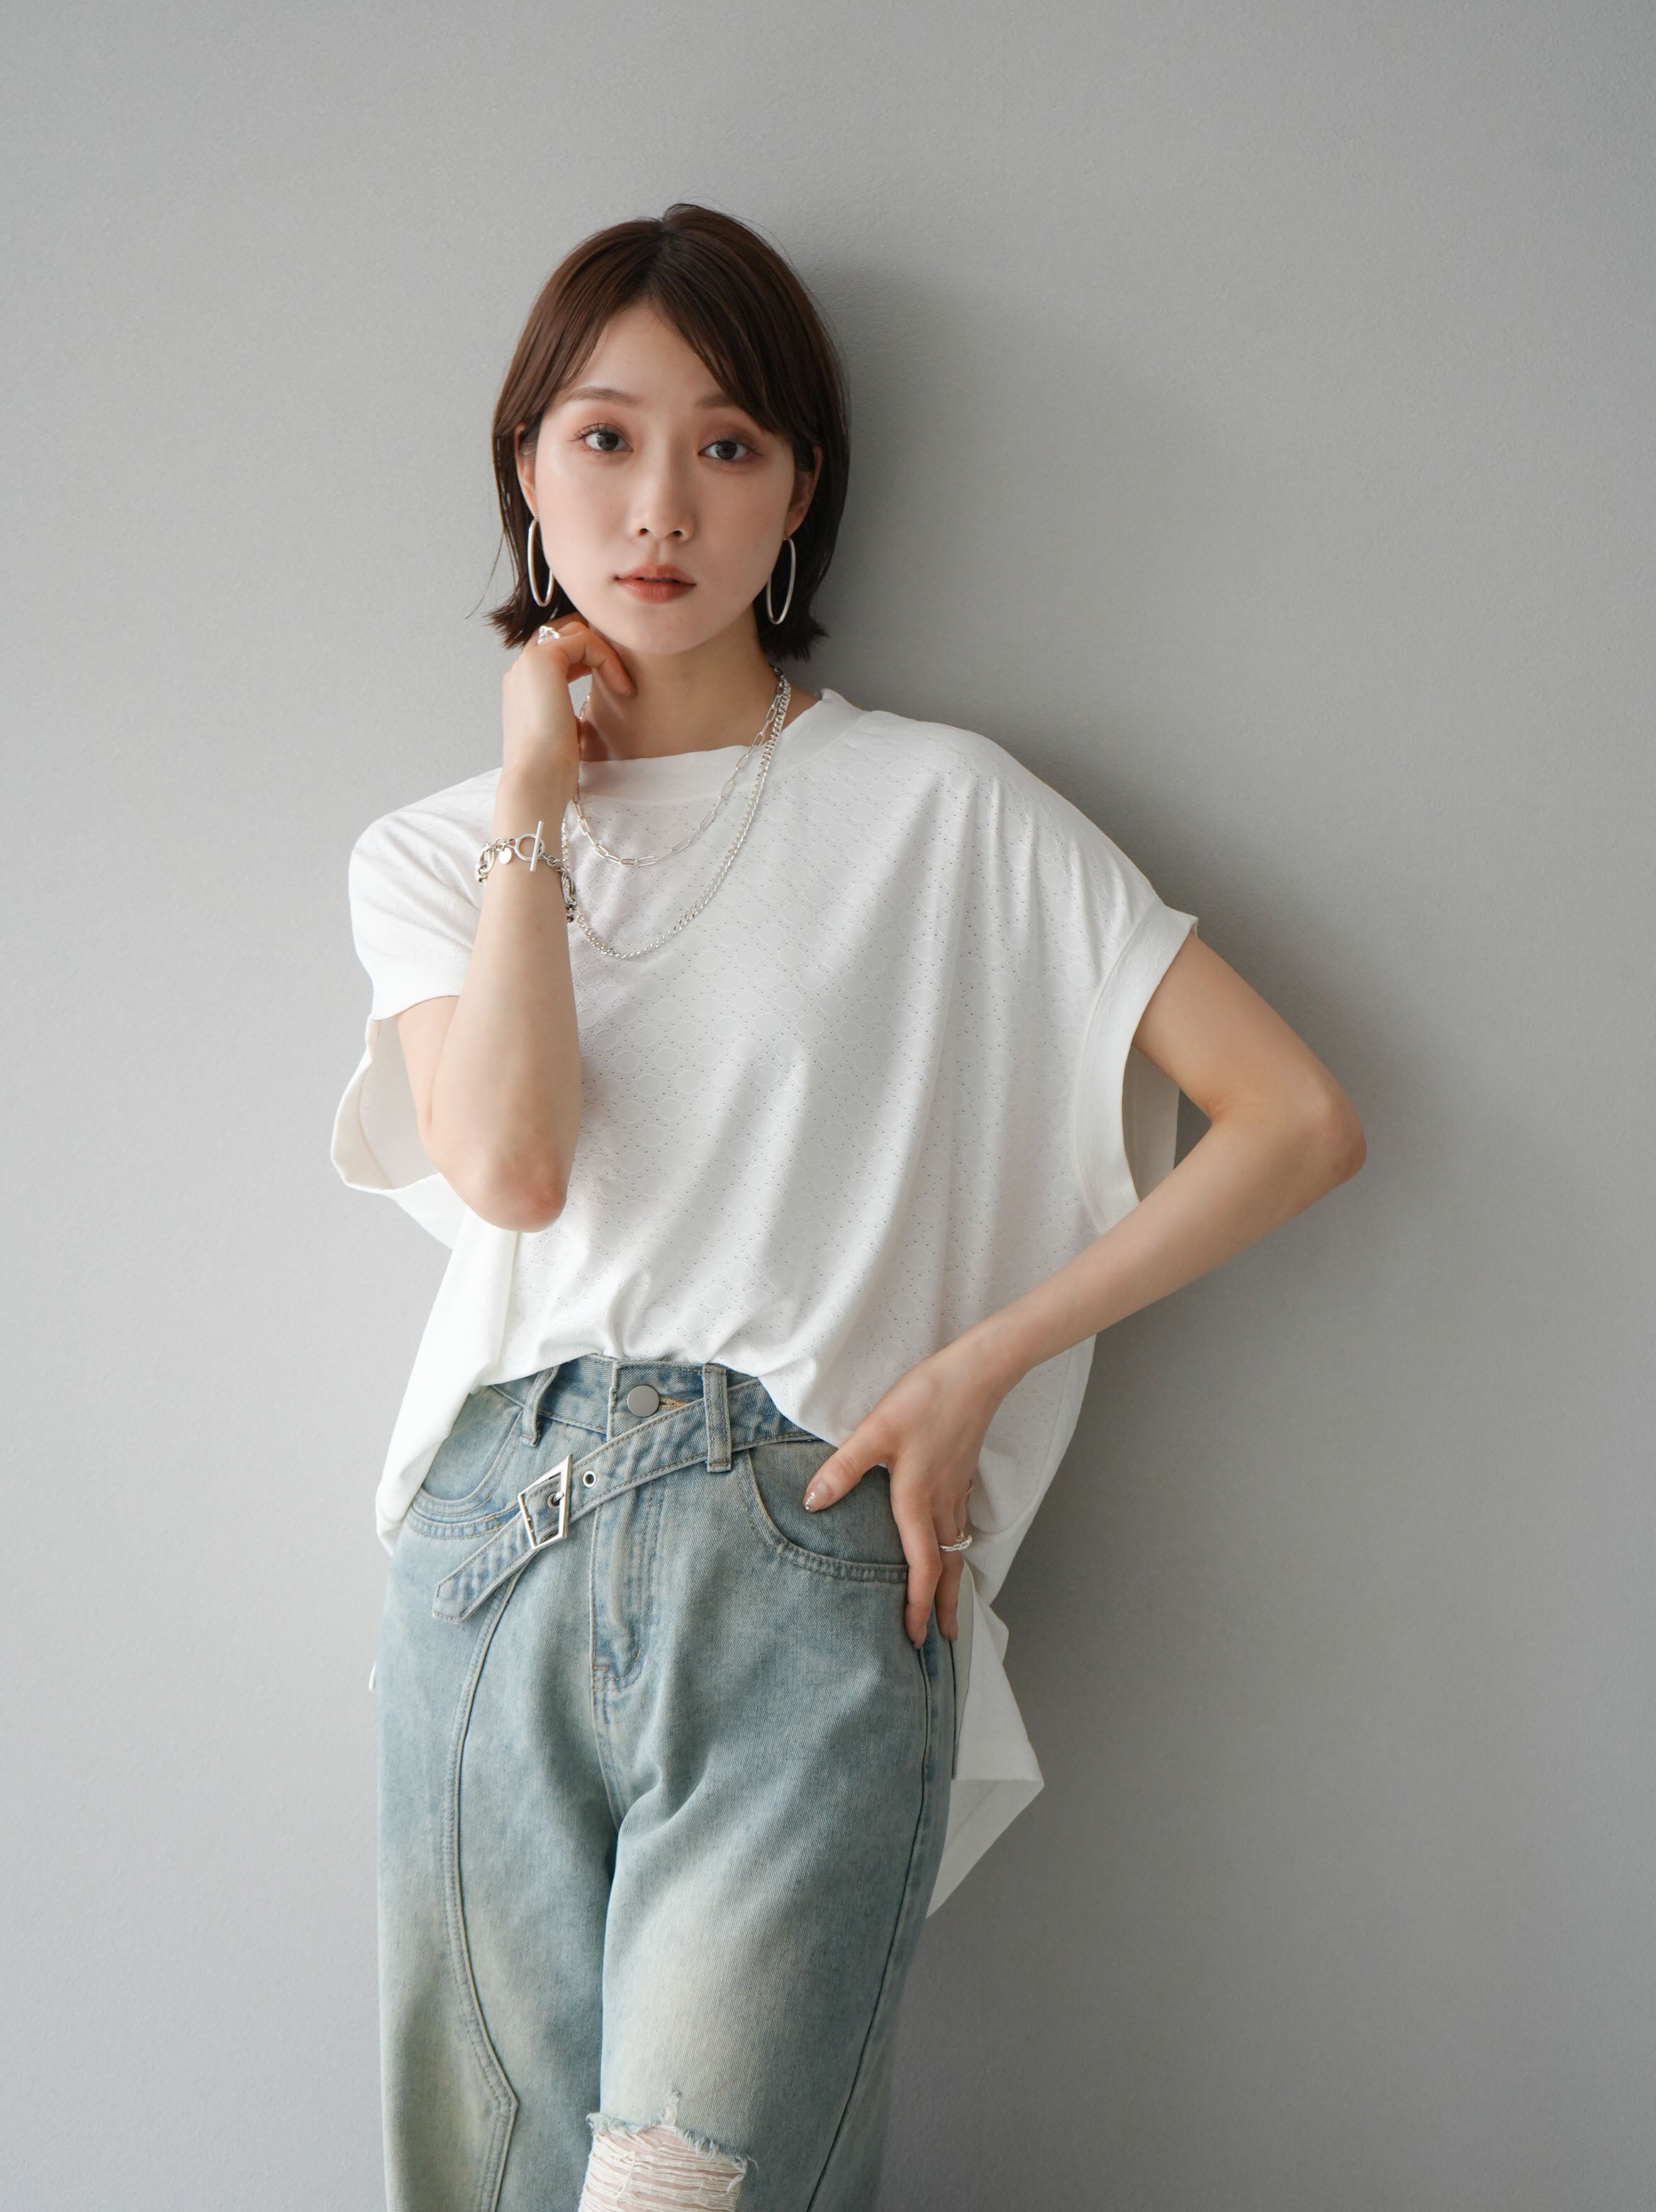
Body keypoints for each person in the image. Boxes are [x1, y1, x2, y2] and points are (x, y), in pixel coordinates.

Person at [331, 202, 1365, 2212]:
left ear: (801, 492)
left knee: (688, 2194)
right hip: (486, 1557)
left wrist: (978, 1367)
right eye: (604, 438)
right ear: (526, 466)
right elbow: (513, 1169)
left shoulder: (941, 808)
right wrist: (535, 793)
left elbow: (1296, 1119)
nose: (660, 504)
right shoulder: (434, 853)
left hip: (799, 1546)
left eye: (728, 445)